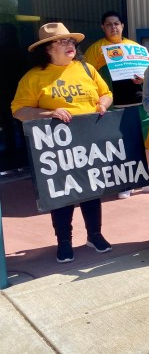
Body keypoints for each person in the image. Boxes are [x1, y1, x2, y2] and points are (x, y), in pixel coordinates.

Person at [11, 23, 114, 263]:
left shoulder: (86, 69)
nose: (70, 46)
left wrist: (103, 104)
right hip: (56, 147)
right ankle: (64, 242)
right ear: (47, 49)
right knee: (62, 194)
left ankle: (95, 235)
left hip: (89, 142)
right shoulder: (34, 77)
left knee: (91, 190)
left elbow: (106, 93)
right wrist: (48, 114)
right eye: (63, 42)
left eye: (71, 42)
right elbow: (19, 110)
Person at [83, 11, 149, 198]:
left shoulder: (135, 47)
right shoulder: (96, 49)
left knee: (146, 139)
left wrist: (144, 78)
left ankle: (146, 176)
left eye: (116, 23)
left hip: (140, 102)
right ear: (102, 27)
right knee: (121, 143)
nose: (113, 27)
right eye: (109, 24)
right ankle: (126, 182)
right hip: (115, 105)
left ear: (122, 26)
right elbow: (88, 77)